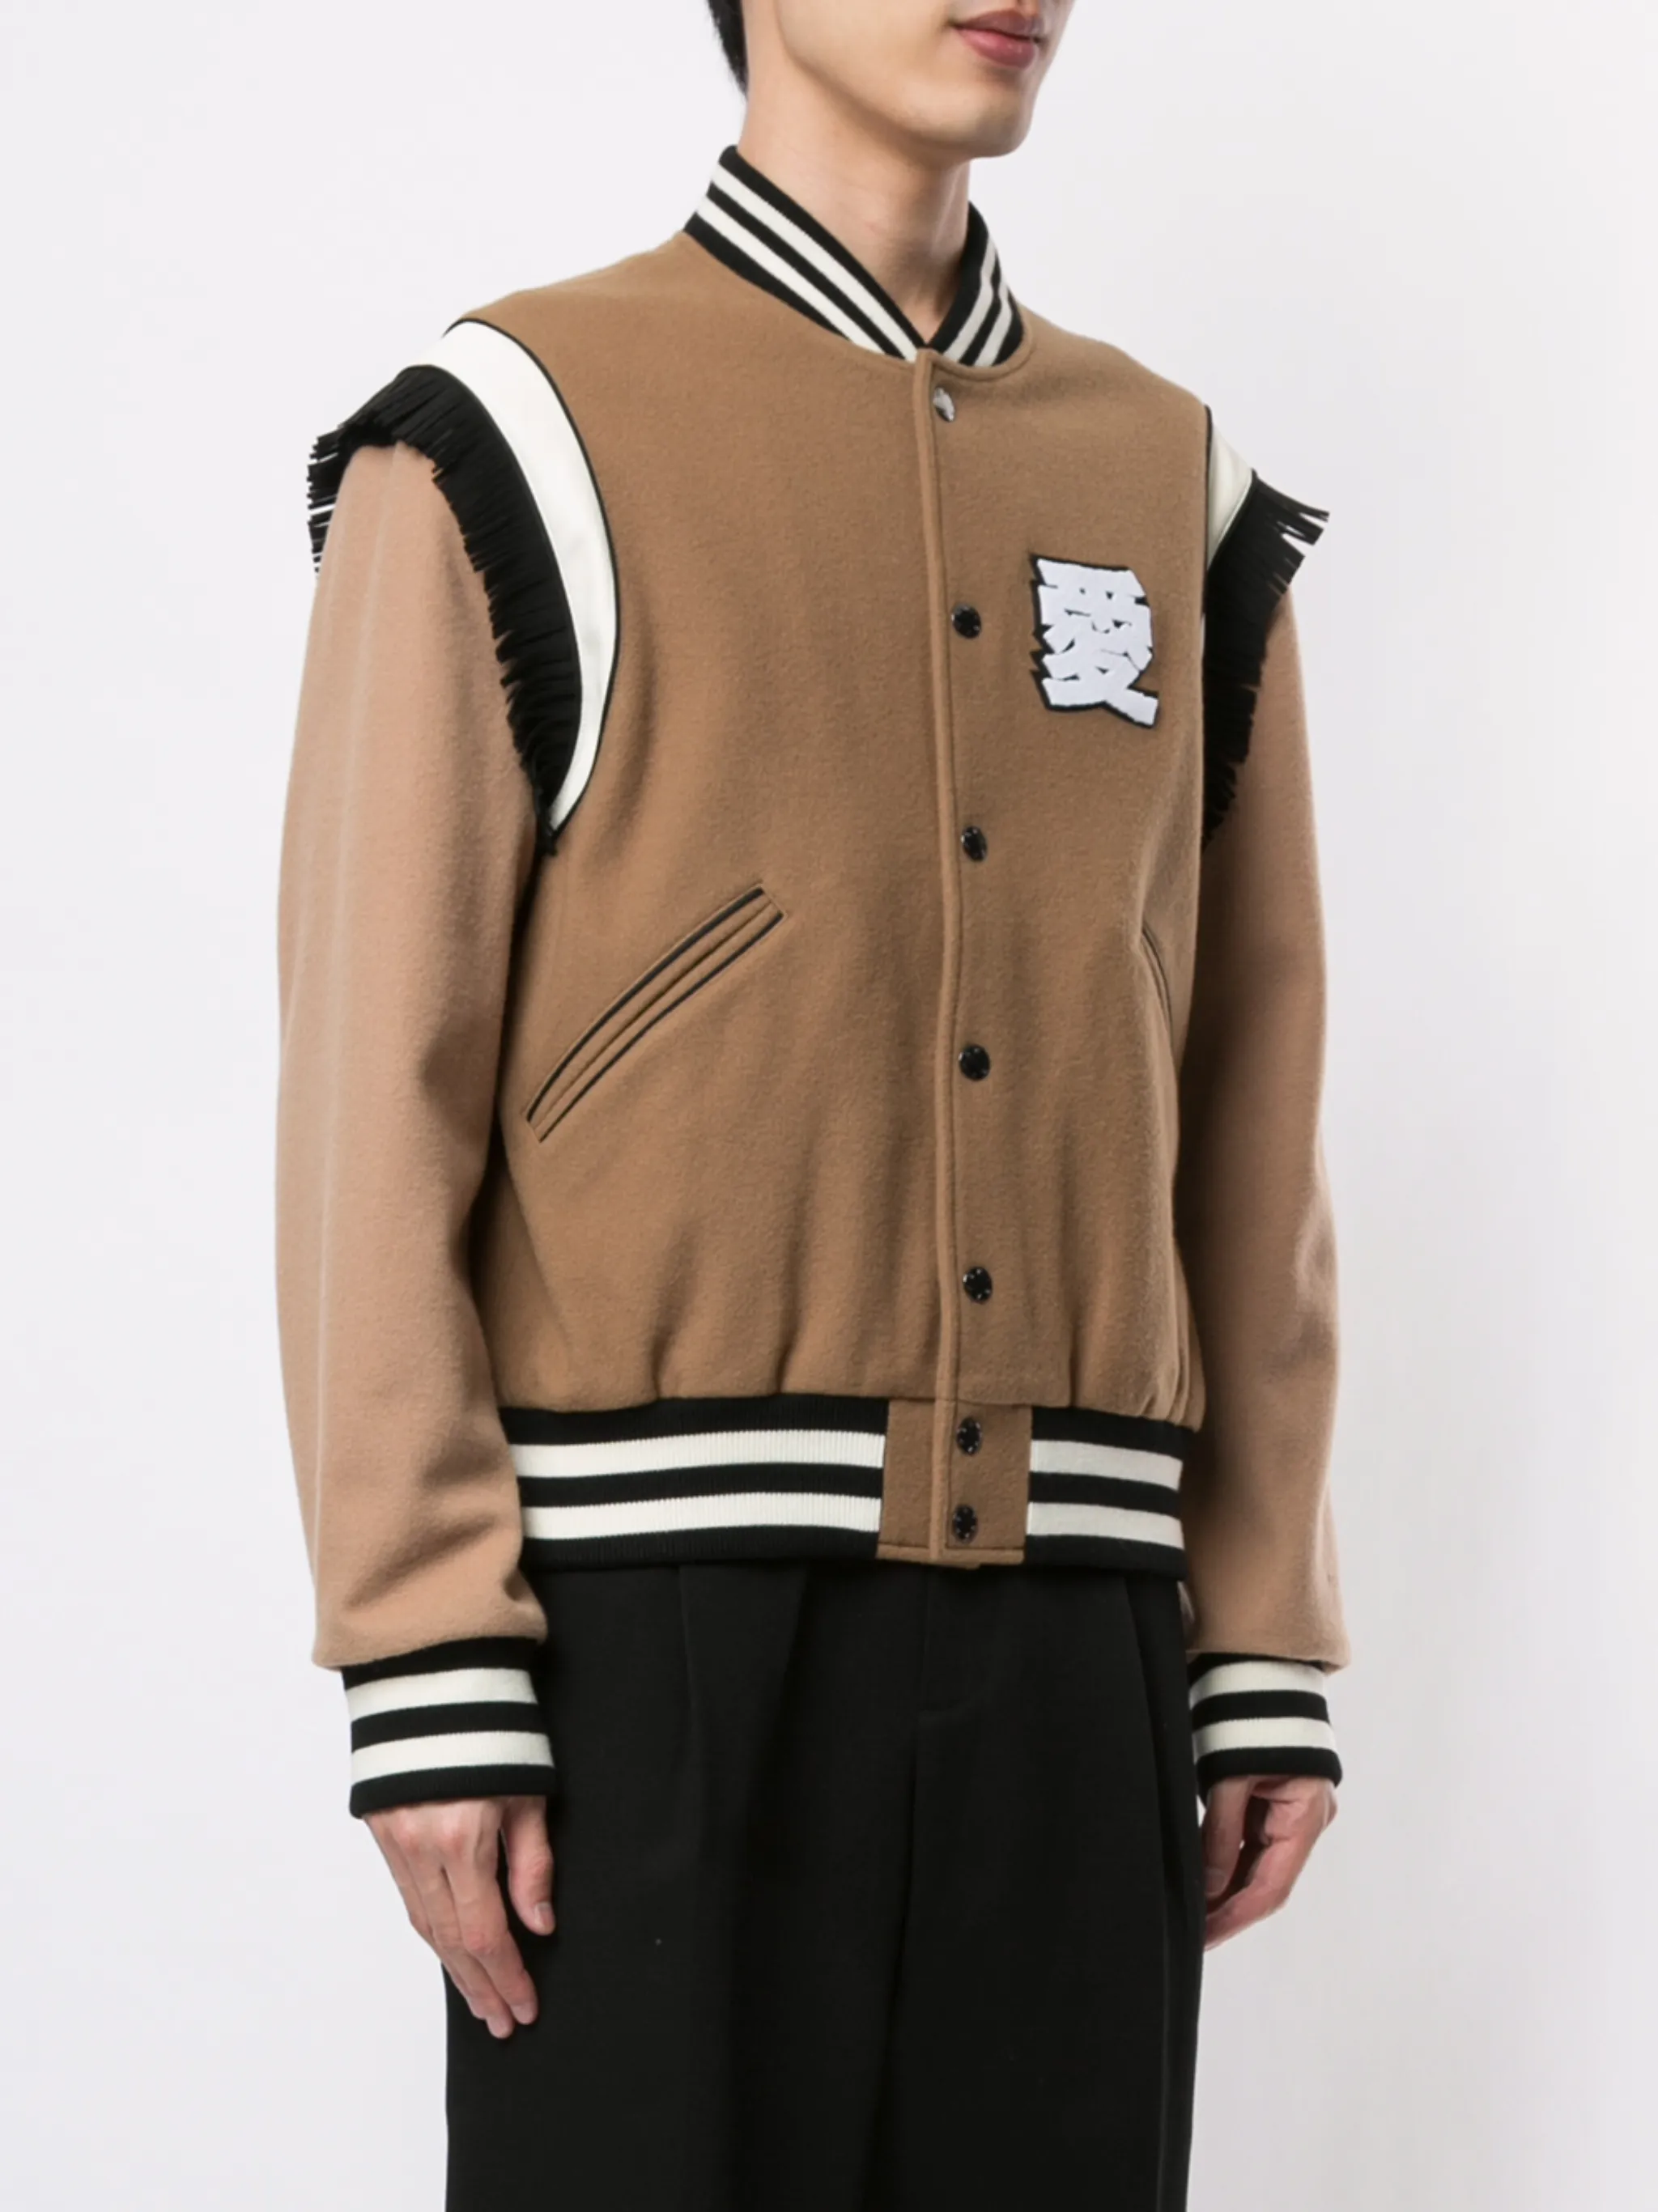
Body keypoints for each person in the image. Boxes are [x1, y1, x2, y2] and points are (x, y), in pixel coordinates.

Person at [275, 2, 1350, 2205]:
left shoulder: (1174, 484)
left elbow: (1253, 1094)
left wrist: (1261, 1629)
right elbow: (373, 1093)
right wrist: (425, 1647)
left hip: (1083, 1635)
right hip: (643, 1647)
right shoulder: (512, 434)